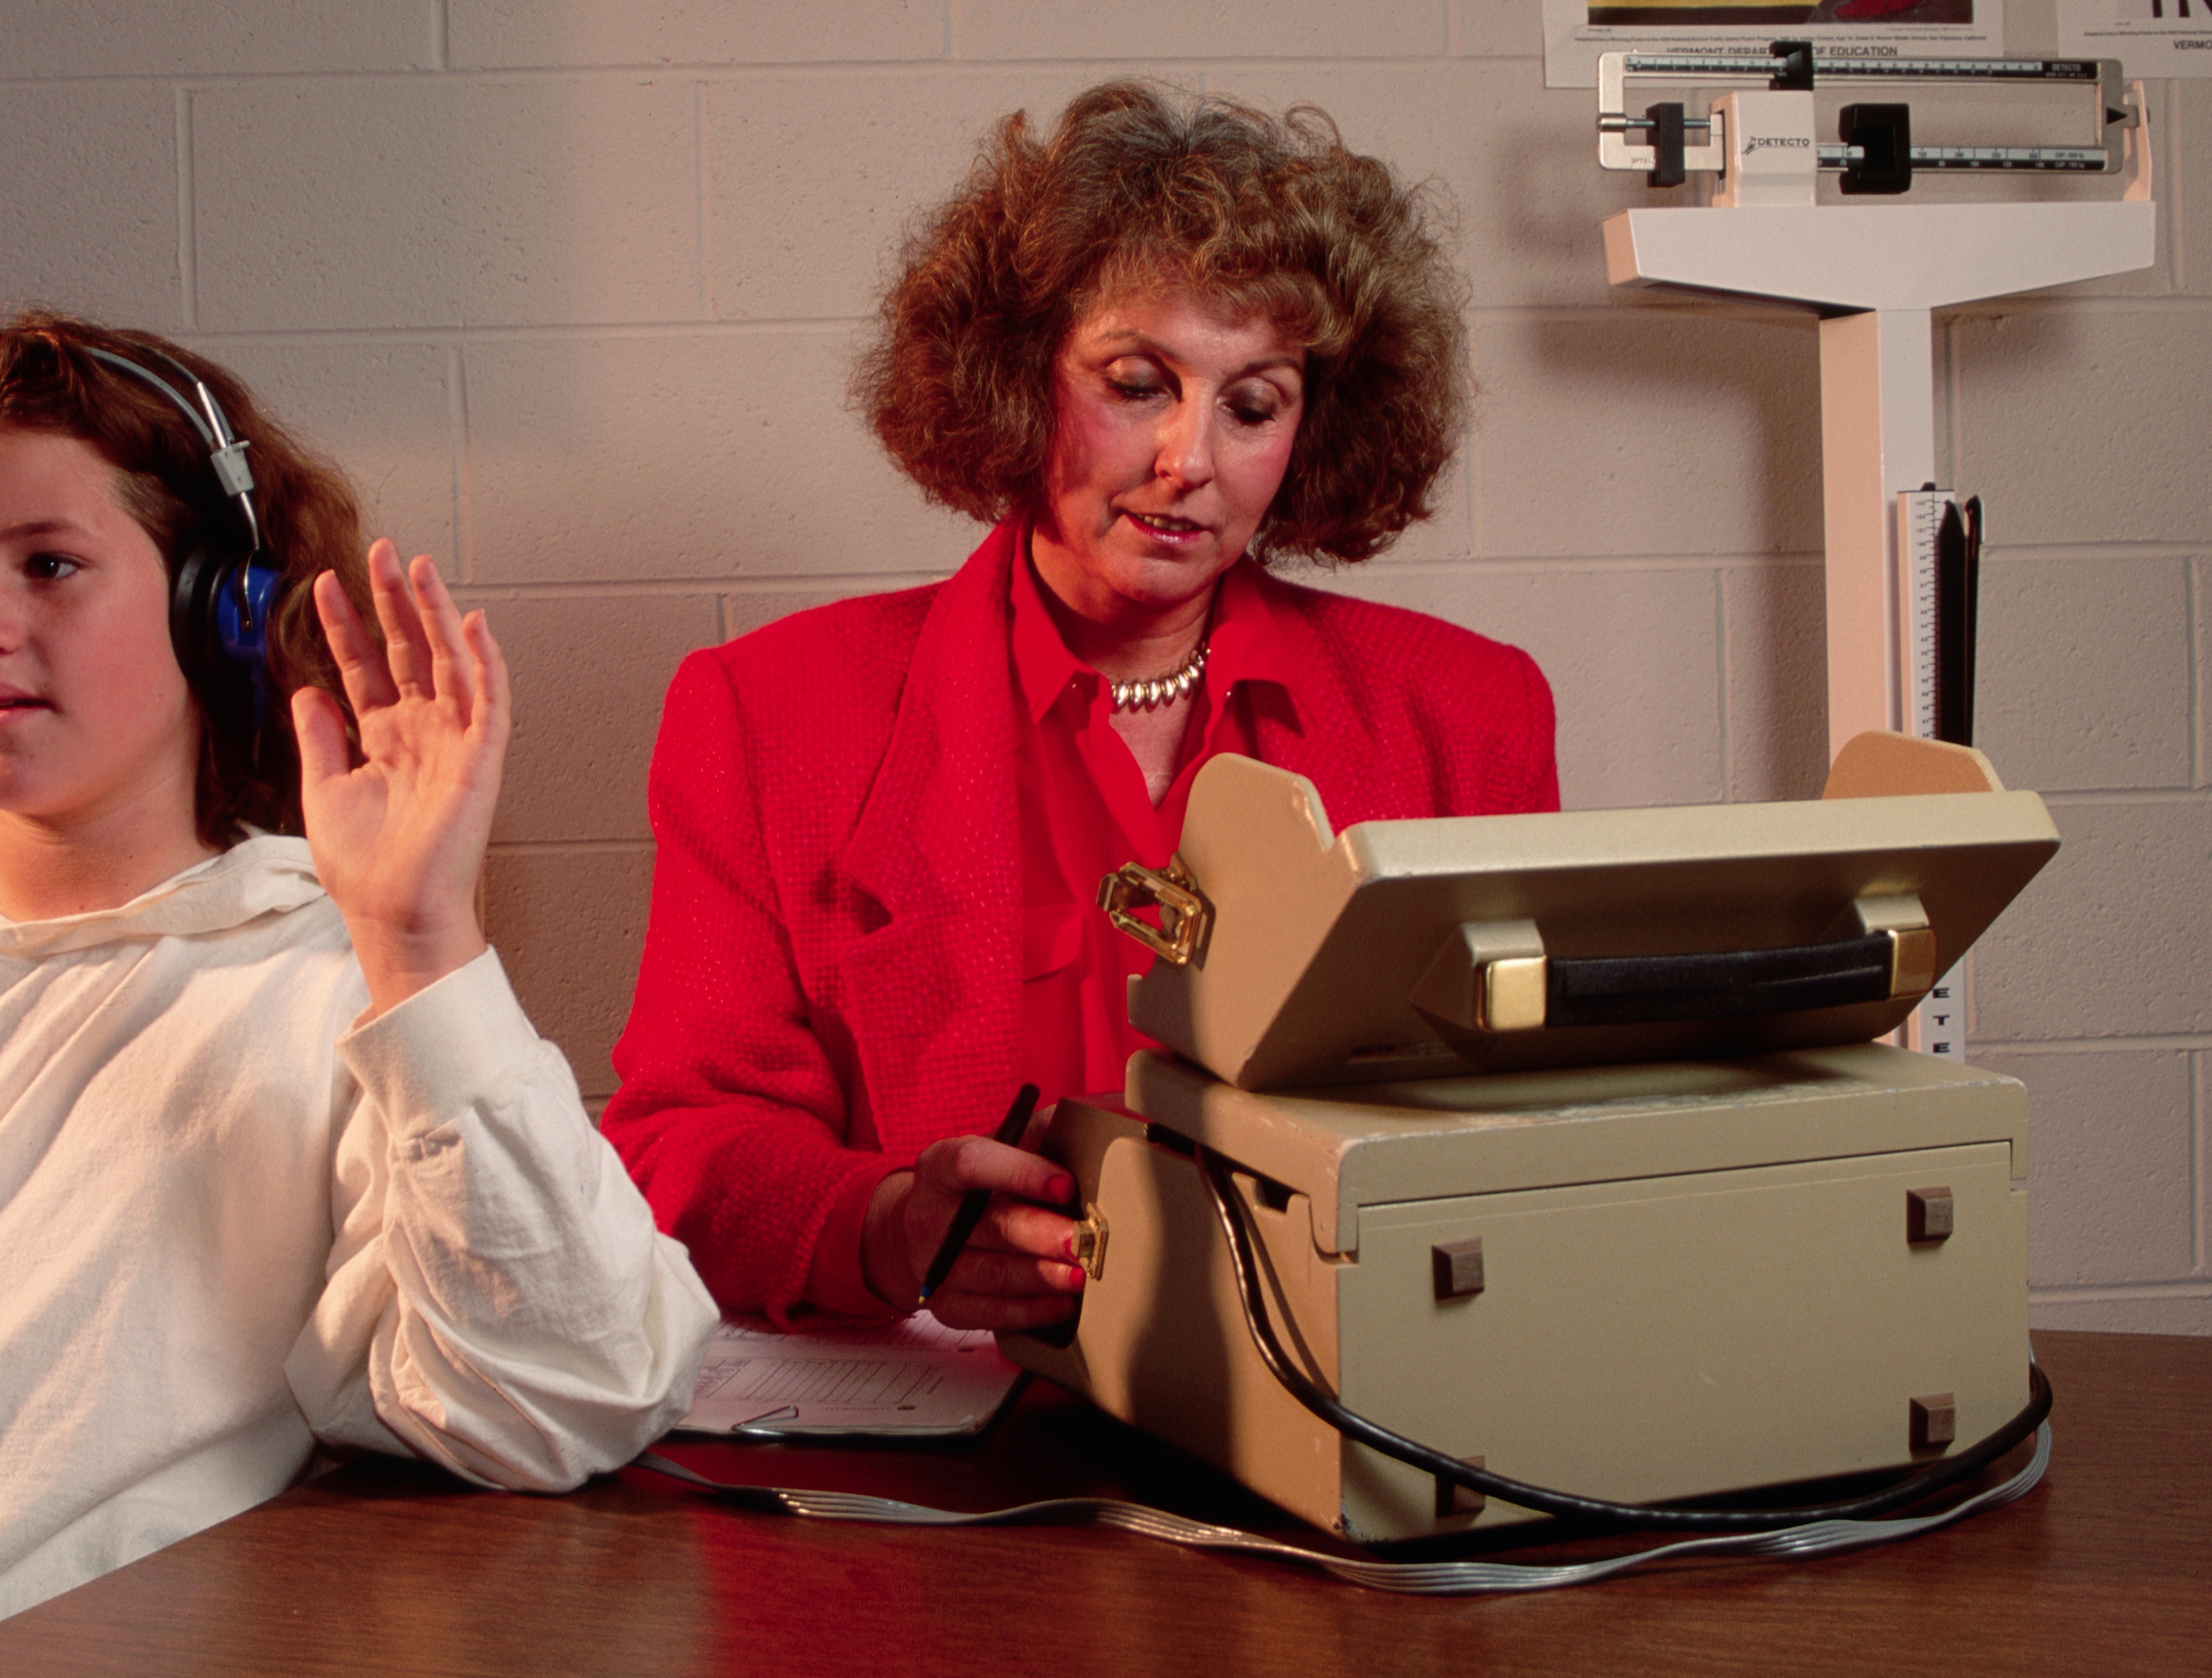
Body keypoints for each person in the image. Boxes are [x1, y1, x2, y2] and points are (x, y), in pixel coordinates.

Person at [0, 314, 715, 1678]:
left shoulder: (346, 1005)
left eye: (50, 563)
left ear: (225, 607)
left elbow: (577, 1389)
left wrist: (422, 942)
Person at [601, 82, 1558, 1335]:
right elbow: (686, 1140)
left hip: (1341, 1400)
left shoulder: (1467, 713)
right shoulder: (770, 712)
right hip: (953, 1433)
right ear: (1016, 376)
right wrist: (881, 1226)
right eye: (1136, 382)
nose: (1189, 459)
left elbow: (1533, 1133)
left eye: (1251, 403)